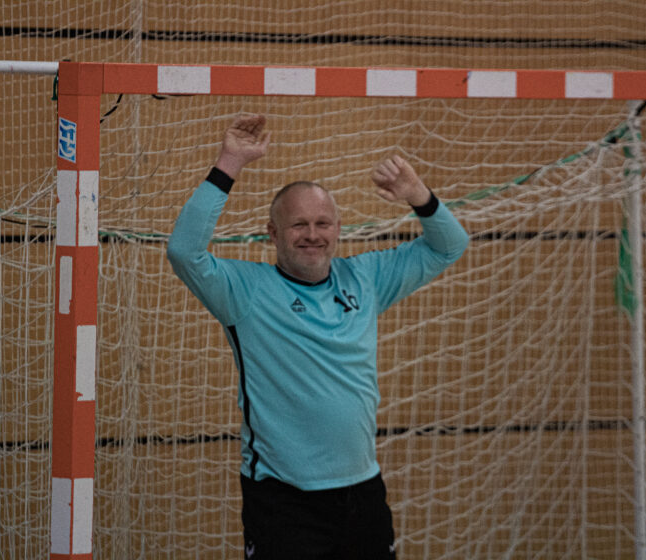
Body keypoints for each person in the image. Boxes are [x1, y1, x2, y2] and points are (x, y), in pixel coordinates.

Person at [167, 114, 469, 560]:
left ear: (338, 229)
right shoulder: (244, 292)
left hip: (362, 491)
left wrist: (417, 195)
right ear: (273, 234)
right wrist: (229, 162)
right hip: (283, 499)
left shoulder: (366, 277)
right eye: (299, 225)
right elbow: (183, 252)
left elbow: (451, 245)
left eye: (323, 223)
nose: (312, 235)